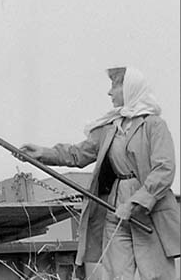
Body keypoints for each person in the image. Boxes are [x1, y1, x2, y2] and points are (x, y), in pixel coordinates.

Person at [16, 67, 180, 280]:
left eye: (115, 86)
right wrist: (43, 153)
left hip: (148, 210)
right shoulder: (111, 126)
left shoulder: (154, 125)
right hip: (114, 206)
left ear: (130, 88)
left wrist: (135, 203)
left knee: (155, 274)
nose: (109, 93)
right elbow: (78, 154)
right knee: (116, 274)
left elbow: (164, 169)